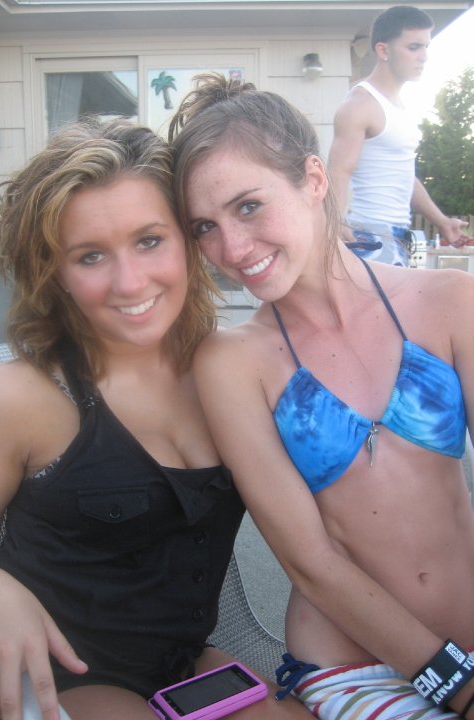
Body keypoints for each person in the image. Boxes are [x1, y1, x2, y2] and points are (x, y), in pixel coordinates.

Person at [0, 117, 309, 720]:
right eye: (90, 256)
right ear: (54, 274)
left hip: (181, 666)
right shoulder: (19, 399)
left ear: (188, 240)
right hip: (50, 678)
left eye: (150, 240)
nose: (130, 282)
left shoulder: (228, 376)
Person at [168, 72, 474, 720]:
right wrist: (459, 686)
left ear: (313, 179)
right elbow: (310, 561)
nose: (232, 249)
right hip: (356, 669)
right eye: (204, 227)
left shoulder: (450, 303)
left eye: (248, 207)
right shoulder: (232, 363)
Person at [327, 5, 472, 266]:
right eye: (414, 47)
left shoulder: (399, 107)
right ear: (384, 50)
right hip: (368, 235)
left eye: (426, 46)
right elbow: (338, 172)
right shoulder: (361, 104)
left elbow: (404, 174)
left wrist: (441, 221)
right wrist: (334, 225)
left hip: (398, 237)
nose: (424, 57)